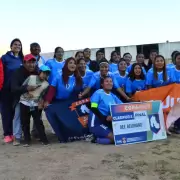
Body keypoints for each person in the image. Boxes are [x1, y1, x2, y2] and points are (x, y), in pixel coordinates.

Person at [44, 57, 83, 142]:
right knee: (50, 110)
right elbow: (52, 90)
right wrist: (47, 101)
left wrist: (80, 94)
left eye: (74, 63)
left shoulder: (78, 77)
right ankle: (62, 136)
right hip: (58, 102)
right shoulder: (58, 75)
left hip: (70, 102)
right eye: (70, 63)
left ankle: (74, 135)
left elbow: (79, 91)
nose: (73, 65)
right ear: (66, 65)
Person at [19, 64, 50, 146]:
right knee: (25, 122)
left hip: (35, 104)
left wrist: (41, 102)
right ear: (39, 72)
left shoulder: (46, 84)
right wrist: (26, 93)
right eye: (44, 73)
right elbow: (22, 87)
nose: (45, 75)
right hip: (24, 102)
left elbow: (43, 95)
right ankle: (27, 141)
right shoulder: (31, 77)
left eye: (47, 74)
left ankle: (44, 140)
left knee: (38, 122)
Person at [11, 54, 39, 145]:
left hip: (34, 99)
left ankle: (37, 133)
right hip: (20, 99)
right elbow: (14, 88)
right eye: (29, 62)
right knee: (18, 114)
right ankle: (17, 137)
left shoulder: (37, 71)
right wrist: (26, 88)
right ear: (24, 63)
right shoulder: (17, 73)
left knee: (38, 115)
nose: (31, 65)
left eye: (33, 62)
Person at [1, 38, 24, 143]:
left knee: (16, 113)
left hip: (17, 90)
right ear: (11, 46)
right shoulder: (4, 58)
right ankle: (7, 134)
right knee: (6, 112)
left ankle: (15, 133)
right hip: (5, 90)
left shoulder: (21, 59)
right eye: (15, 44)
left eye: (19, 45)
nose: (17, 46)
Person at [88, 76, 122, 144]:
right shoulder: (98, 93)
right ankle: (96, 139)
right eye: (107, 81)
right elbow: (93, 107)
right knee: (114, 139)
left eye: (111, 81)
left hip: (107, 123)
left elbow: (122, 106)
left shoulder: (113, 96)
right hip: (96, 123)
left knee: (120, 138)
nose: (109, 83)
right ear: (102, 84)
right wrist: (104, 117)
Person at [169, 52, 180, 133]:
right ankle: (175, 126)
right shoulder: (170, 70)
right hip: (173, 94)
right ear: (175, 60)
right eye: (178, 58)